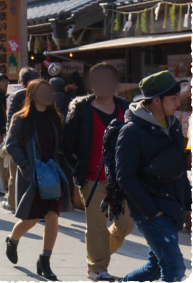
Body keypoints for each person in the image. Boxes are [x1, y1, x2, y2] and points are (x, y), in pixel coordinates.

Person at [117, 71, 192, 283]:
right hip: (151, 211)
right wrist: (152, 211)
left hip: (171, 206)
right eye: (173, 98)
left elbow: (177, 169)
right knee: (174, 269)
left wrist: (189, 203)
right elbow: (126, 177)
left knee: (155, 268)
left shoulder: (174, 125)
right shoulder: (132, 130)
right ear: (156, 100)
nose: (179, 103)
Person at [62, 63, 133, 281]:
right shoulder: (81, 110)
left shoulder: (128, 108)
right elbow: (67, 145)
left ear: (114, 84)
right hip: (92, 178)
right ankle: (97, 268)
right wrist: (79, 167)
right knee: (96, 227)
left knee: (126, 225)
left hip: (121, 179)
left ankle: (97, 254)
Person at [4, 80, 72, 282]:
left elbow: (60, 145)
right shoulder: (21, 118)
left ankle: (45, 260)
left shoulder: (55, 118)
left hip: (52, 175)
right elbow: (11, 145)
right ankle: (12, 240)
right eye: (42, 92)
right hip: (33, 176)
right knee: (30, 219)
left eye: (49, 92)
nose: (47, 95)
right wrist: (26, 168)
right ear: (32, 95)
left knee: (52, 216)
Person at [4, 68, 41, 212]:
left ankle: (14, 204)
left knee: (14, 174)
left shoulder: (18, 95)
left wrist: (9, 138)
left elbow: (11, 119)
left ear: (22, 81)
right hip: (38, 141)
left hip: (20, 141)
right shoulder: (43, 93)